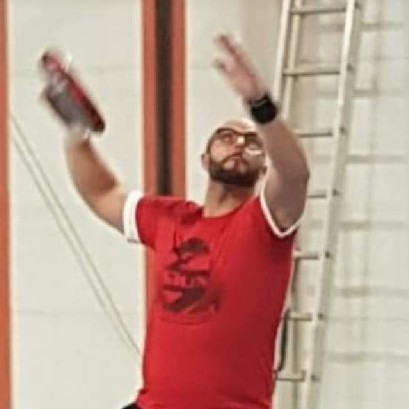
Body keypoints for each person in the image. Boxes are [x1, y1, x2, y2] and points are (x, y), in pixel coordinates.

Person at [42, 34, 309, 409]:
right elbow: (101, 193)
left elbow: (296, 174)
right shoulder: (173, 220)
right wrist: (75, 133)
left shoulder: (266, 224)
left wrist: (260, 105)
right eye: (227, 137)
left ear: (264, 168)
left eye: (252, 144)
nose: (239, 145)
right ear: (204, 159)